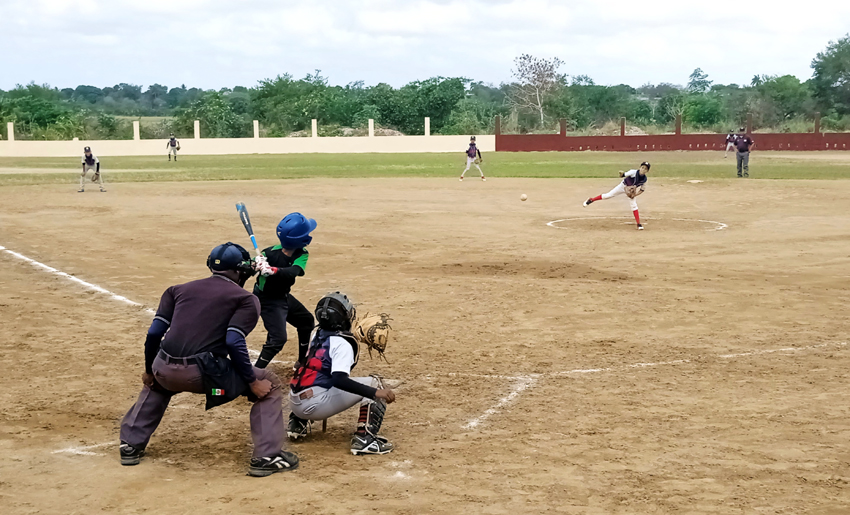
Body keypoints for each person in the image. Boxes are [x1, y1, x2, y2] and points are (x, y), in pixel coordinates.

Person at [119, 242, 299, 477]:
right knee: (270, 383)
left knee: (157, 383)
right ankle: (267, 456)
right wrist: (252, 381)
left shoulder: (177, 290)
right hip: (204, 378)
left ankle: (130, 445)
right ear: (240, 270)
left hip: (164, 370)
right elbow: (234, 342)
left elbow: (154, 334)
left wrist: (149, 370)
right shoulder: (245, 299)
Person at [287, 292, 396, 455]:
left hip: (295, 403)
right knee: (375, 383)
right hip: (314, 405)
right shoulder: (343, 344)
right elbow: (339, 380)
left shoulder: (316, 334)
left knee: (315, 373)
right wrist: (376, 392)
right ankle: (365, 439)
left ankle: (297, 422)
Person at [252, 213, 317, 370]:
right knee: (278, 339)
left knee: (306, 321)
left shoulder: (301, 254)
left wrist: (273, 270)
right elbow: (247, 268)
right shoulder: (269, 253)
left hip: (282, 297)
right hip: (266, 300)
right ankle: (254, 374)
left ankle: (303, 361)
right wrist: (254, 264)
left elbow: (294, 271)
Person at [582, 162, 651, 230]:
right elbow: (624, 174)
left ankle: (638, 224)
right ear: (640, 167)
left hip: (631, 192)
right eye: (642, 167)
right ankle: (591, 199)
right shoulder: (633, 172)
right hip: (622, 186)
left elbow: (642, 189)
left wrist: (635, 195)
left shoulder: (644, 179)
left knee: (634, 205)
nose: (643, 169)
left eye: (645, 169)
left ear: (647, 171)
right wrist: (622, 174)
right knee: (607, 196)